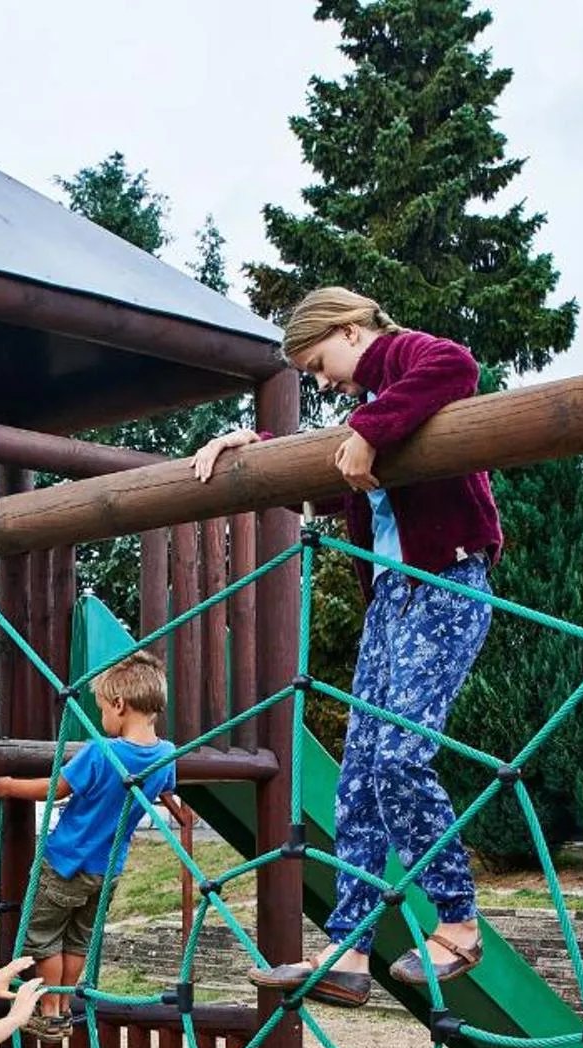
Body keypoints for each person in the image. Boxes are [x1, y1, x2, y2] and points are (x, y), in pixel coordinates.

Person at [193, 287, 500, 1007]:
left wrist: (368, 426)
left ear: (352, 328)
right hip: (393, 599)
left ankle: (458, 917)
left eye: (320, 361)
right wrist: (260, 453)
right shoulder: (377, 410)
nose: (323, 380)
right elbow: (339, 482)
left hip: (447, 580)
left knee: (398, 757)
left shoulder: (404, 358)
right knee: (358, 775)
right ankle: (351, 949)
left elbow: (459, 364)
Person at [0, 650, 180, 1040]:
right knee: (78, 939)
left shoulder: (102, 751)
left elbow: (57, 789)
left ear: (119, 705)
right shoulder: (165, 755)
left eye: (102, 710)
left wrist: (8, 787)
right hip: (105, 871)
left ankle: (48, 1008)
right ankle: (63, 1006)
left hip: (64, 862)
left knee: (43, 936)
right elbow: (167, 790)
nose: (101, 719)